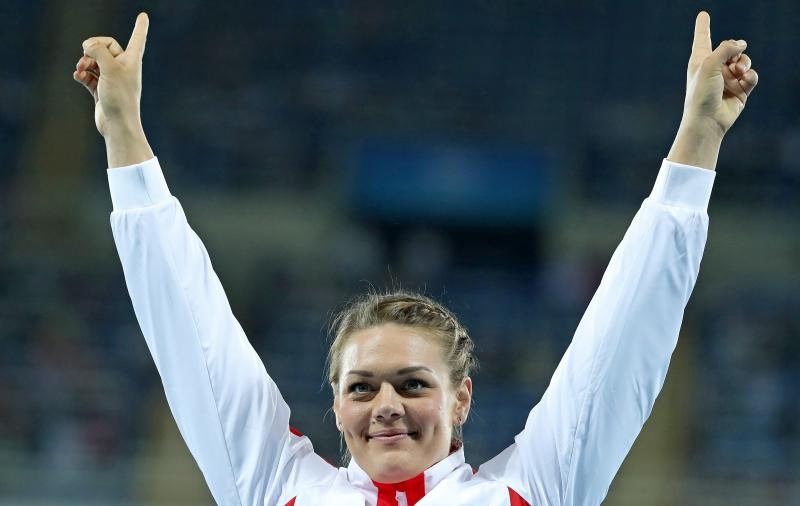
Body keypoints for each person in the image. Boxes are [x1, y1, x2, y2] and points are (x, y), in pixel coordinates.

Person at [73, 10, 758, 506]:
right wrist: (123, 133)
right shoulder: (276, 487)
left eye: (412, 384)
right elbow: (193, 333)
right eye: (361, 387)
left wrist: (697, 140)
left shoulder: (532, 489)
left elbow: (623, 337)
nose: (386, 406)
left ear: (461, 398)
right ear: (335, 404)